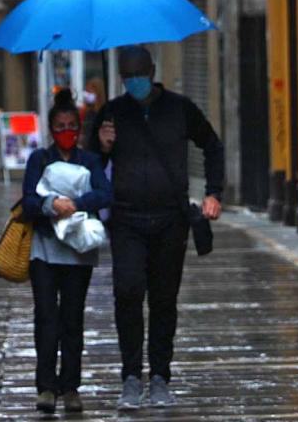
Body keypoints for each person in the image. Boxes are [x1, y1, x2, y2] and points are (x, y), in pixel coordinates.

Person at [92, 45, 224, 411]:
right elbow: (90, 163)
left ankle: (160, 376)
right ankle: (131, 375)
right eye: (127, 77)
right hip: (126, 219)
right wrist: (103, 147)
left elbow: (212, 146)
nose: (133, 82)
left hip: (170, 219)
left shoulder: (180, 109)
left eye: (138, 75)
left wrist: (213, 192)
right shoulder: (112, 113)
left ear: (151, 74)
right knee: (128, 292)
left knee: (164, 299)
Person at [21, 92, 113, 415]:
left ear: (79, 128)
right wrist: (50, 204)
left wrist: (76, 204)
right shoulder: (39, 159)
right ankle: (46, 386)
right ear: (51, 129)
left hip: (78, 253)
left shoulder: (89, 161)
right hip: (44, 250)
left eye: (72, 126)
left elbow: (105, 193)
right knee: (46, 317)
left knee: (73, 318)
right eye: (60, 126)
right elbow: (28, 201)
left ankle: (71, 386)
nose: (66, 131)